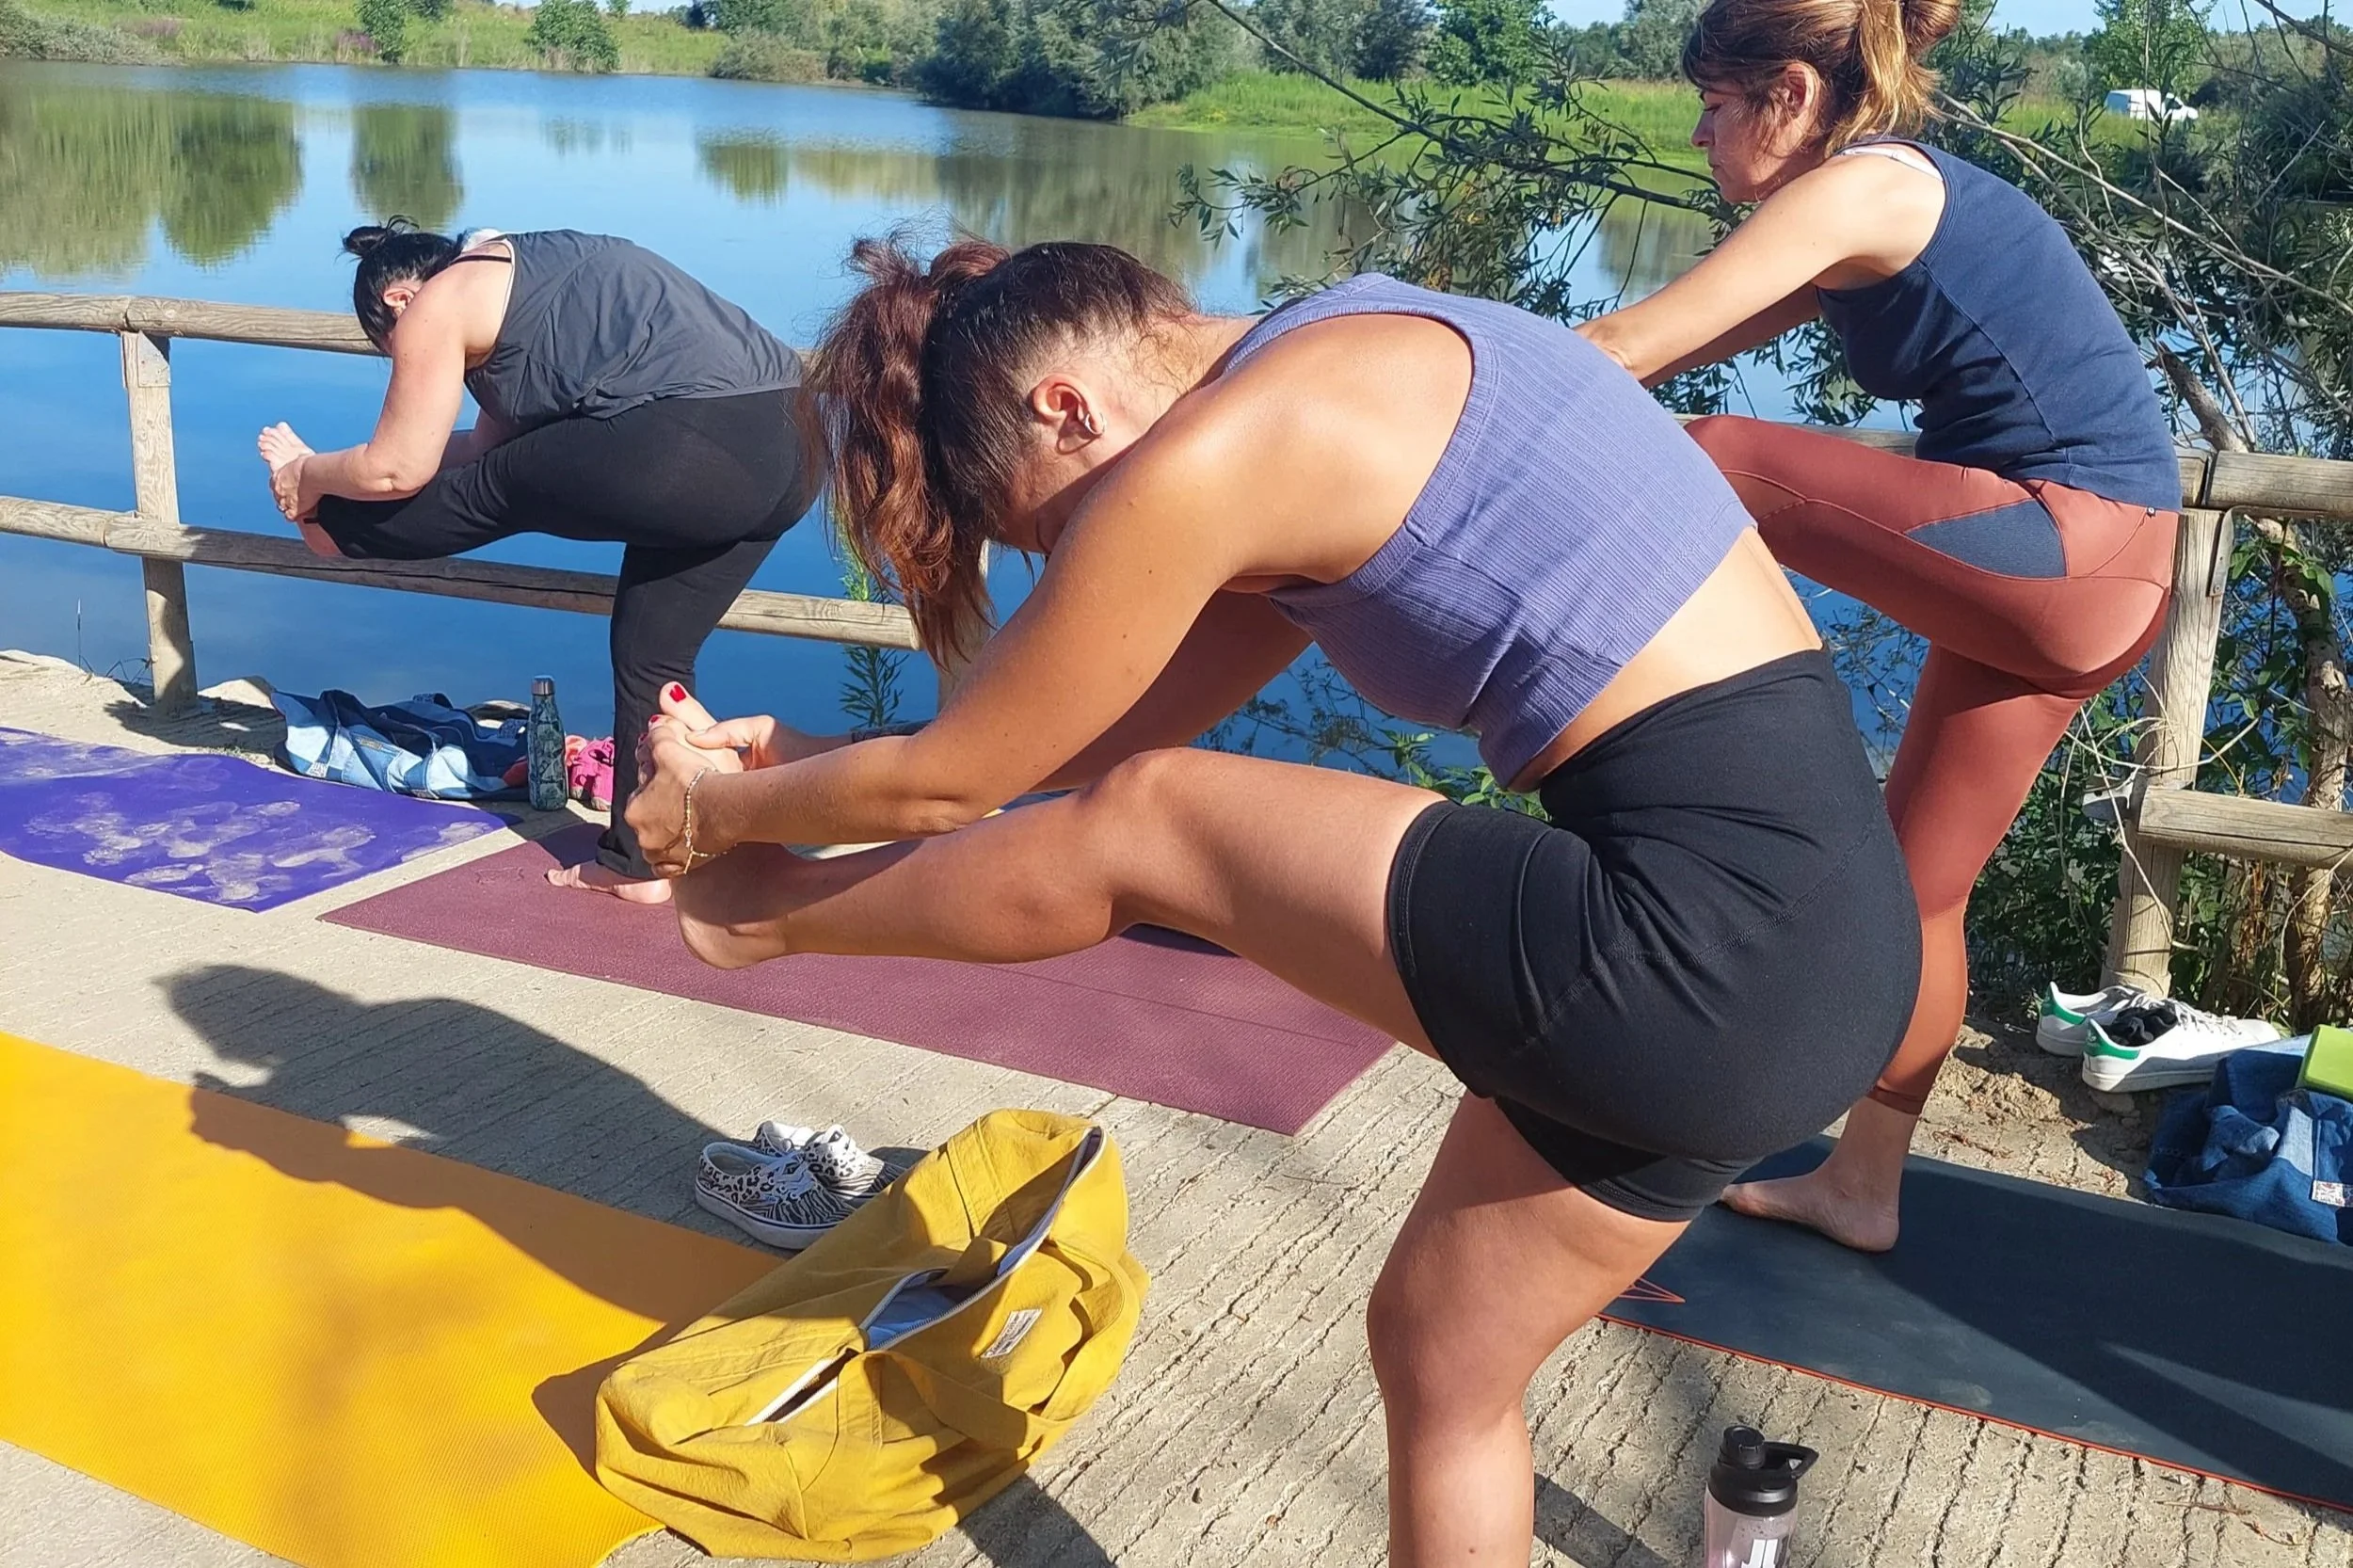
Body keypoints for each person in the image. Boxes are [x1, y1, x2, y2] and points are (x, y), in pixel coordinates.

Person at [621, 235, 1921, 1562]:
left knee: (1159, 825)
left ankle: (755, 917)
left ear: (1065, 406)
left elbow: (985, 787)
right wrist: (809, 766)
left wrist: (720, 825)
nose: (1083, 565)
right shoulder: (1350, 361)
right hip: (1830, 954)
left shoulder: (1227, 451)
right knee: (1441, 1357)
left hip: (1701, 945)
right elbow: (1069, 739)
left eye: (1055, 532)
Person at [1575, 0, 2182, 1253]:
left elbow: (1625, 342)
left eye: (1713, 102)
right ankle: (1864, 1185)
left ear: (1789, 94)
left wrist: (1421, 379)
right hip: (2100, 576)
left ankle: (1644, 727)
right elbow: (1658, 350)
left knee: (1728, 458)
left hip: (2066, 549)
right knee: (1918, 895)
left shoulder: (1866, 190)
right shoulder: (1868, 212)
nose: (1696, 131)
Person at [256, 220, 815, 901]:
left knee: (500, 495)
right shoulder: (521, 274)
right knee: (651, 654)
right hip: (794, 446)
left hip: (692, 441)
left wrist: (312, 480)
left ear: (401, 302)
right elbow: (474, 450)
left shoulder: (438, 301)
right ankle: (640, 863)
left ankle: (332, 532)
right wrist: (344, 472)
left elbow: (401, 469)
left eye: (396, 350)